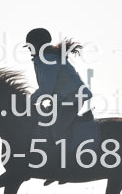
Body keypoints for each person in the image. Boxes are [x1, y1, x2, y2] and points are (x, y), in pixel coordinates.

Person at [25, 28, 92, 181]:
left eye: (30, 46)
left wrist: (29, 101)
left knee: (57, 127)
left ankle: (64, 168)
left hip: (73, 99)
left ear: (37, 45)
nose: (29, 50)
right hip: (63, 99)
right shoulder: (45, 57)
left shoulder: (47, 59)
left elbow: (46, 89)